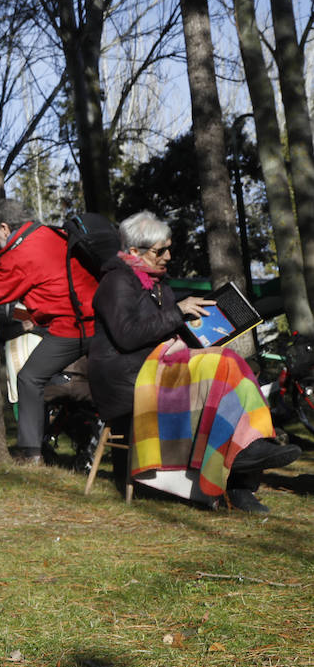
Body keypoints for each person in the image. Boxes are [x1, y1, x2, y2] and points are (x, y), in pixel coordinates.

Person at [90, 211, 299, 512]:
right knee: (224, 365)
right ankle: (239, 467)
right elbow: (127, 336)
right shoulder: (117, 282)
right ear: (133, 251)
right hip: (128, 378)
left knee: (234, 366)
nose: (168, 256)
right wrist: (178, 312)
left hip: (158, 365)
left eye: (168, 248)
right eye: (159, 251)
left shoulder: (159, 284)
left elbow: (163, 331)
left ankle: (246, 461)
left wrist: (208, 330)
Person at [0, 198, 99, 465]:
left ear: (4, 228)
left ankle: (31, 453)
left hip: (71, 327)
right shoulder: (52, 233)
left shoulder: (21, 253)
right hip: (95, 320)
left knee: (29, 378)